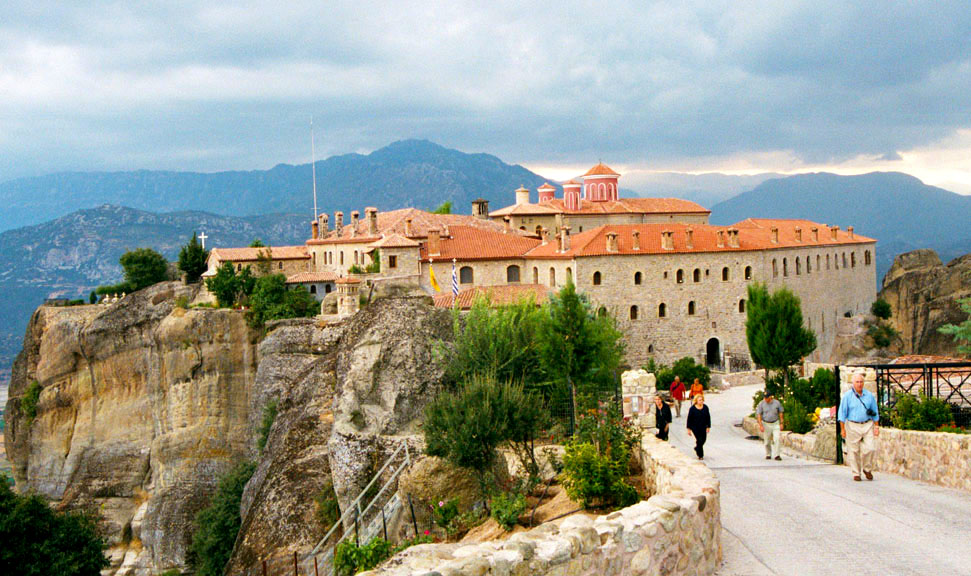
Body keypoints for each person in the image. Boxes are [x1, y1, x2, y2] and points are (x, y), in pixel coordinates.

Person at [837, 372, 880, 481]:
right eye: (857, 382)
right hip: (852, 425)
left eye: (861, 382)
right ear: (853, 383)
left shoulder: (869, 395)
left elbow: (875, 411)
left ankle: (867, 468)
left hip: (867, 424)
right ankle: (856, 473)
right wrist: (842, 429)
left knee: (870, 448)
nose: (859, 384)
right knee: (854, 450)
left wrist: (876, 426)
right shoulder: (847, 396)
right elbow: (842, 414)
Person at [756, 391, 785, 460]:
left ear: (770, 397)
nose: (765, 399)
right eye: (764, 397)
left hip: (775, 423)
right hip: (766, 424)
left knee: (777, 439)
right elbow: (759, 415)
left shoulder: (777, 403)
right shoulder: (761, 404)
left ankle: (777, 455)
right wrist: (760, 425)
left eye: (767, 398)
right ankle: (768, 454)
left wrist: (781, 423)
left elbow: (781, 413)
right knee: (767, 441)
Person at [686, 394, 711, 459]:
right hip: (695, 427)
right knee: (699, 440)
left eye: (702, 400)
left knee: (704, 439)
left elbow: (708, 417)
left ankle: (697, 448)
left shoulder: (705, 407)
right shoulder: (692, 409)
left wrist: (708, 426)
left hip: (703, 426)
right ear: (696, 401)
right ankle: (700, 455)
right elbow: (689, 419)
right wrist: (688, 429)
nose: (701, 401)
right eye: (700, 400)